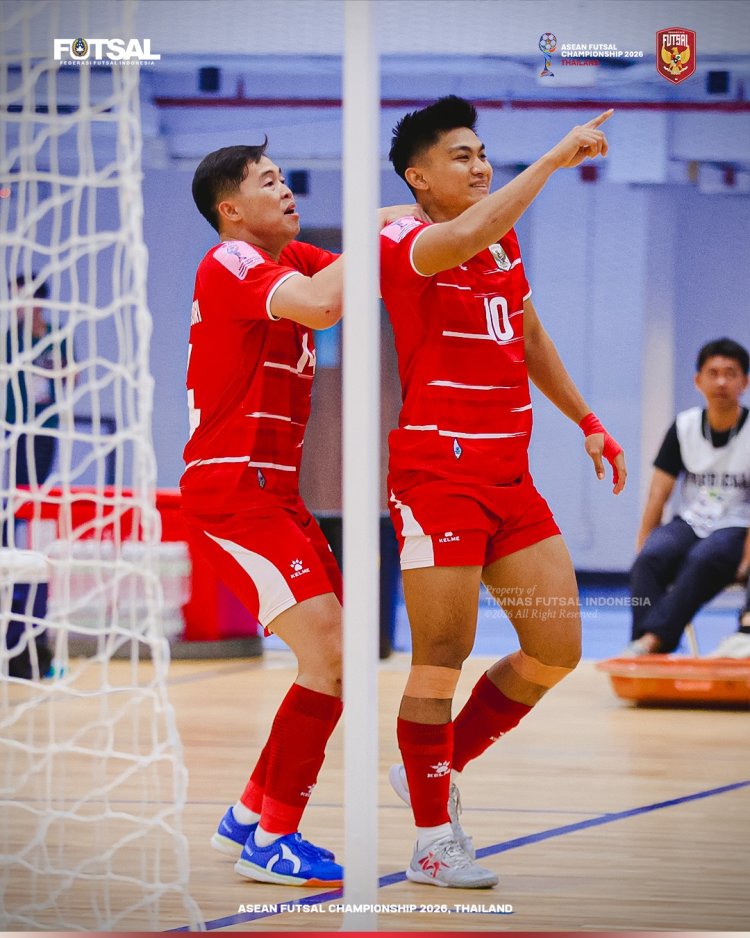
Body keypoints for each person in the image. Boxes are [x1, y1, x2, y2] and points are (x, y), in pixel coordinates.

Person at [379, 96, 626, 888]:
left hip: (509, 478)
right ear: (419, 179)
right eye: (461, 156)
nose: (480, 165)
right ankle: (429, 839)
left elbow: (526, 333)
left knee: (557, 649)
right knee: (442, 655)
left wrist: (588, 419)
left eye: (483, 152)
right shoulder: (410, 239)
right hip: (437, 478)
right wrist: (553, 158)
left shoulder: (498, 238)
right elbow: (469, 233)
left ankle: (432, 769)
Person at [182, 142, 417, 887]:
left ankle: (251, 813)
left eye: (284, 179)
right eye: (269, 182)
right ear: (231, 209)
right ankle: (274, 837)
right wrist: (388, 223)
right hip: (234, 491)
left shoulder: (288, 260)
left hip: (272, 491)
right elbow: (326, 304)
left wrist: (440, 206)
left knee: (337, 656)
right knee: (333, 659)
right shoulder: (233, 262)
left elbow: (372, 244)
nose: (285, 191)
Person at [625, 338, 750, 657]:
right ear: (698, 381)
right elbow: (658, 493)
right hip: (692, 522)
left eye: (731, 373)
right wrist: (643, 543)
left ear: (745, 382)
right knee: (649, 560)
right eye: (713, 372)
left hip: (736, 526)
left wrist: (747, 558)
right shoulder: (683, 427)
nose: (721, 381)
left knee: (702, 558)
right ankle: (645, 646)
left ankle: (654, 641)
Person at [3, 275, 67, 679]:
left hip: (43, 436)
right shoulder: (10, 339)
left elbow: (71, 376)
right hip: (11, 434)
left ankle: (36, 642)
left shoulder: (55, 337)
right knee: (12, 517)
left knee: (32, 511)